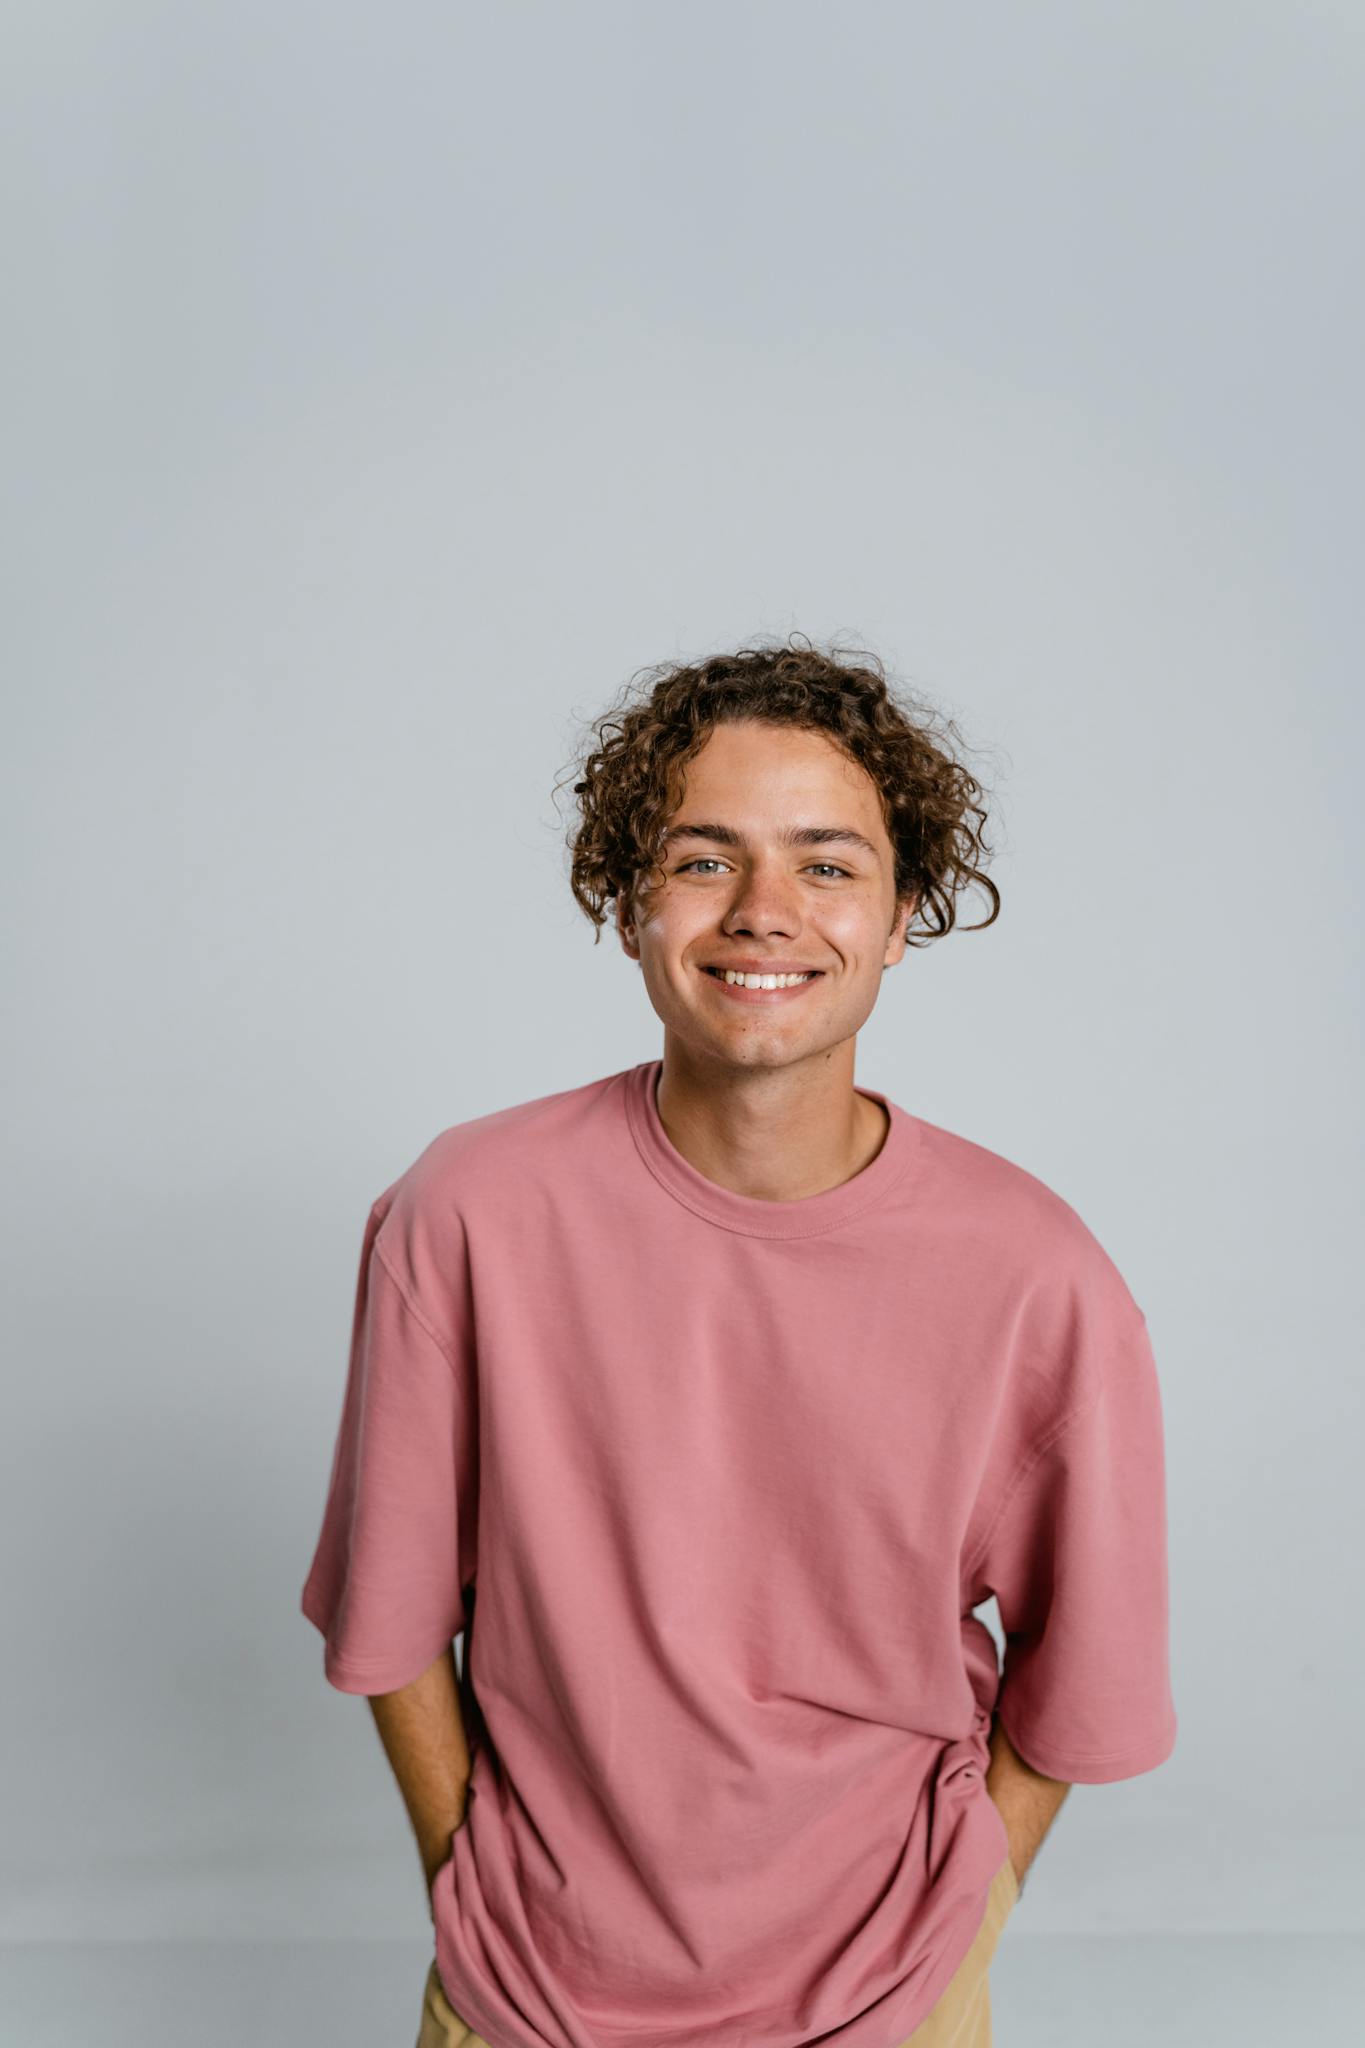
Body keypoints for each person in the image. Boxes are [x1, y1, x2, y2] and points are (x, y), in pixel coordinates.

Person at [300, 637, 1177, 2048]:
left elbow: (1086, 1679)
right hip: (528, 1988)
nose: (765, 911)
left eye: (827, 864)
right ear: (628, 902)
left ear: (901, 918)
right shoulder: (463, 1212)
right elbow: (390, 1613)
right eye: (703, 859)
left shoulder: (1035, 1274)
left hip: (889, 1991)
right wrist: (473, 1896)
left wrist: (960, 1921)